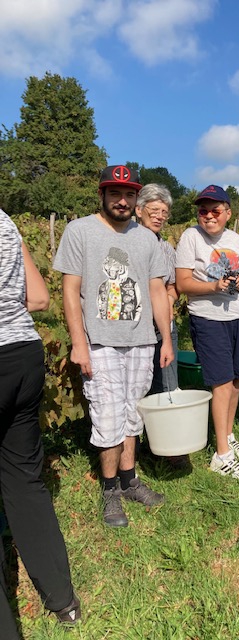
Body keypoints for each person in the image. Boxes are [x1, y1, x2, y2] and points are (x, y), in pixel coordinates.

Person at [53, 165, 174, 527]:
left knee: (132, 413)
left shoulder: (146, 239)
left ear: (137, 199)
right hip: (100, 342)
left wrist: (165, 337)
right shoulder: (80, 231)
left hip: (141, 341)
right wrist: (79, 343)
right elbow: (70, 291)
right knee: (107, 416)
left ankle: (129, 479)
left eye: (129, 194)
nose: (122, 201)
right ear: (102, 195)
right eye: (114, 194)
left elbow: (156, 291)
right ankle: (110, 492)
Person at [0, 209, 80, 636]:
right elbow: (39, 298)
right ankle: (63, 599)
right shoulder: (5, 221)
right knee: (25, 481)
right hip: (21, 354)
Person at [175, 185, 239, 480]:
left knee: (235, 381)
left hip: (237, 315)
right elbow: (182, 283)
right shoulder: (190, 237)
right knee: (220, 383)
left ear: (227, 213)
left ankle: (228, 435)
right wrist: (213, 286)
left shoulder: (237, 240)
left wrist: (237, 284)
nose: (209, 216)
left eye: (215, 211)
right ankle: (221, 456)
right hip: (207, 319)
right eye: (203, 211)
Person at [135, 183, 188, 469]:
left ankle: (167, 445)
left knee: (167, 383)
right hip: (136, 326)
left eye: (164, 212)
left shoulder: (166, 248)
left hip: (164, 325)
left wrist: (168, 297)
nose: (159, 216)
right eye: (153, 210)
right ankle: (139, 442)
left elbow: (173, 285)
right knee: (139, 385)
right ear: (139, 210)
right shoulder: (128, 241)